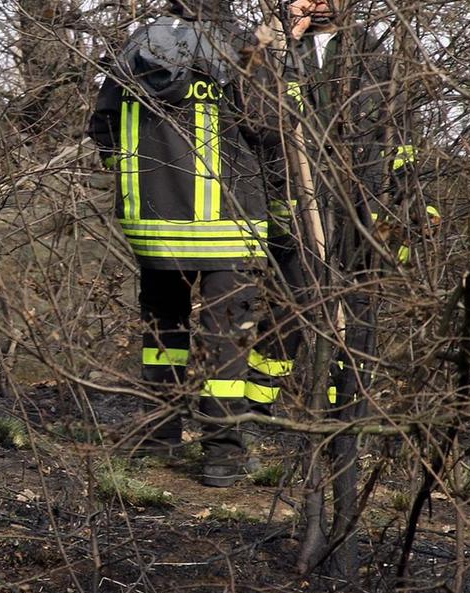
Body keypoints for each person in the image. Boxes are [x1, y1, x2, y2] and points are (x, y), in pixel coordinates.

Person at [88, 0, 272, 486]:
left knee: (162, 334)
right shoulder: (238, 47)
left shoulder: (137, 45)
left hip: (150, 225)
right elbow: (267, 128)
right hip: (228, 225)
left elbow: (102, 125)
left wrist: (136, 182)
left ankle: (159, 436)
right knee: (224, 340)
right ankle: (223, 456)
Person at [246, 2, 441, 416]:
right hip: (296, 202)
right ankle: (257, 407)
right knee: (292, 302)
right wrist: (279, 43)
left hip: (363, 206)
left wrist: (415, 199)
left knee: (358, 309)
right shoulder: (275, 49)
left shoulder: (375, 55)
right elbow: (251, 108)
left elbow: (401, 137)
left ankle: (346, 413)